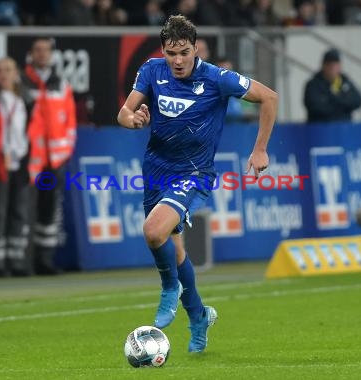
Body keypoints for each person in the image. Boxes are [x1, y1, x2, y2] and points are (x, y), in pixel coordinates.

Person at [117, 15, 278, 352]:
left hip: (193, 173)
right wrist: (132, 120)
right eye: (171, 53)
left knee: (153, 231)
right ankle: (199, 317)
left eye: (184, 53)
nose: (177, 60)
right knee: (174, 251)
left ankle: (168, 290)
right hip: (155, 171)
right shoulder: (151, 70)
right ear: (163, 49)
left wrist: (260, 148)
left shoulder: (218, 78)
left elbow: (270, 98)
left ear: (195, 49)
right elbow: (124, 112)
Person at [21, 37, 77, 275]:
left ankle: (44, 260)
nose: (42, 54)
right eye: (38, 50)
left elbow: (70, 122)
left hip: (55, 159)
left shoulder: (61, 84)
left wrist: (63, 153)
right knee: (24, 209)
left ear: (52, 54)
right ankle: (23, 261)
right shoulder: (21, 81)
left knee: (49, 210)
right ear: (31, 53)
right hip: (28, 157)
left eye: (46, 50)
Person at [0, 57, 35, 277]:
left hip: (21, 161)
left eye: (8, 70)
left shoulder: (26, 100)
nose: (3, 74)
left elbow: (32, 131)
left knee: (18, 211)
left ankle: (16, 259)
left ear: (16, 74)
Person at [303, 48, 361, 123]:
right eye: (330, 65)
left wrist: (335, 100)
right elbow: (315, 107)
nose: (333, 68)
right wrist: (342, 106)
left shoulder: (344, 81)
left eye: (336, 65)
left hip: (343, 129)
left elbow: (357, 100)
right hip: (321, 130)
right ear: (324, 65)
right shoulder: (313, 84)